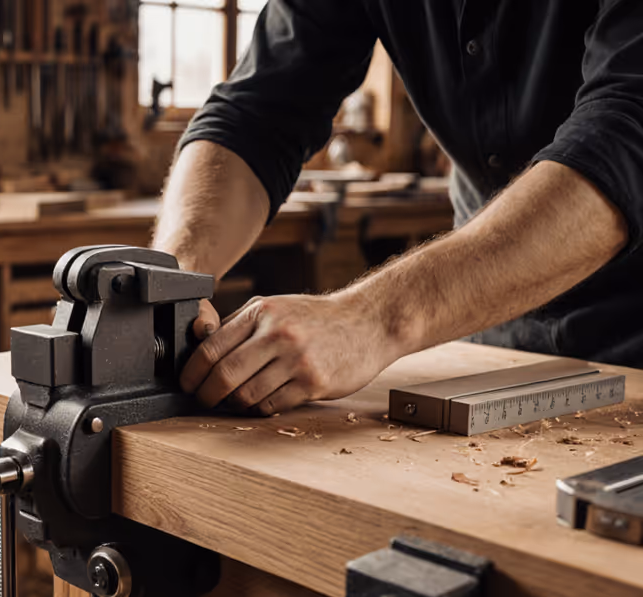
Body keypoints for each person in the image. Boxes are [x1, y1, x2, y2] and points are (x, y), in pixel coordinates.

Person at [151, 1, 639, 416]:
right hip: (484, 337)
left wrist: (373, 319)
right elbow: (257, 114)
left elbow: (626, 135)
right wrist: (171, 280)